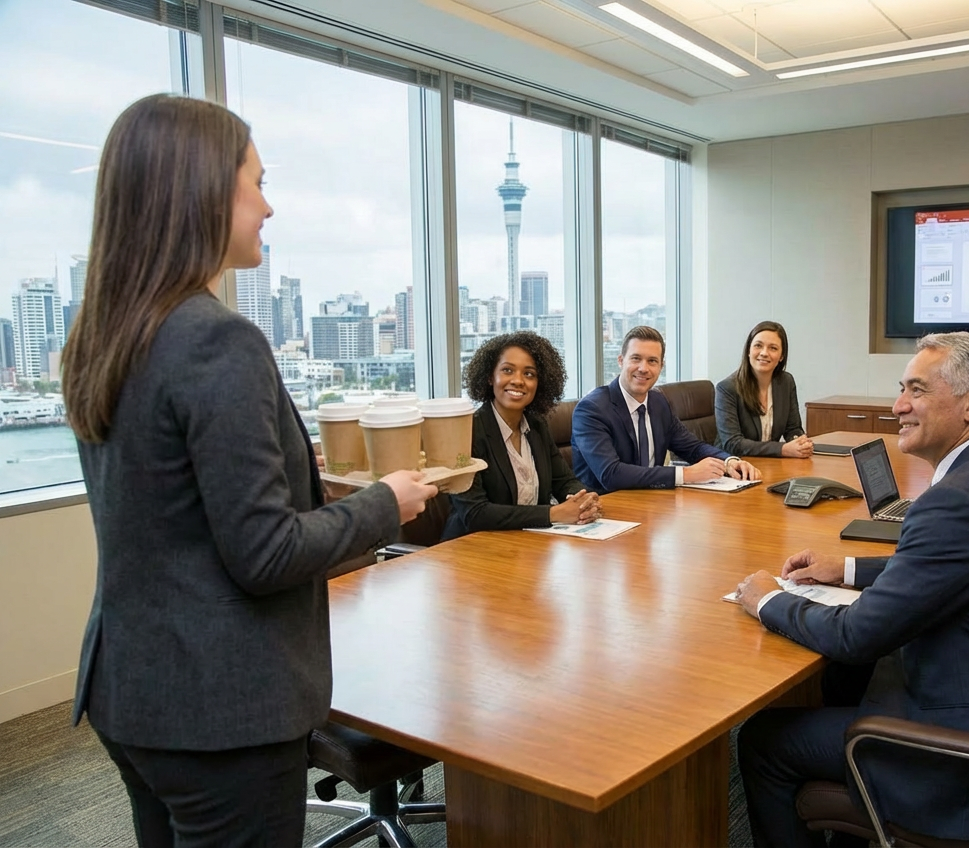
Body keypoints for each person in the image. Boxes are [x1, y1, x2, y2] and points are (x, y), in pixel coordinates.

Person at [59, 94, 438, 848]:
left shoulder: (105, 335)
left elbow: (174, 507)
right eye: (257, 183)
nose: (269, 206)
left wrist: (298, 475)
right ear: (200, 190)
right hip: (221, 707)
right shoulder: (215, 340)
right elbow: (264, 555)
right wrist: (384, 503)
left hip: (131, 688)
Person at [733, 332, 969, 847]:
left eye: (916, 390)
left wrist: (768, 600)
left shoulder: (958, 500)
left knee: (763, 738)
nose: (898, 405)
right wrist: (846, 569)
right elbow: (953, 568)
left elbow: (857, 635)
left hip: (967, 750)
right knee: (845, 681)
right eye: (902, 389)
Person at [442, 332, 601, 540]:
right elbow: (475, 514)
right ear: (490, 376)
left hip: (529, 545)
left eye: (529, 374)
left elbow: (564, 481)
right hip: (471, 550)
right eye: (507, 370)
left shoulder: (536, 426)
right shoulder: (466, 432)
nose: (518, 381)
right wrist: (552, 514)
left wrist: (582, 500)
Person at [571, 325, 761, 493]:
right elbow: (611, 474)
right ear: (621, 360)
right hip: (608, 508)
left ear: (661, 366)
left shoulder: (658, 402)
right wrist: (685, 474)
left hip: (653, 504)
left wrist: (729, 462)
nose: (643, 368)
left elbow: (692, 447)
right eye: (636, 358)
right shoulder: (591, 410)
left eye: (652, 361)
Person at [715, 320, 813, 457]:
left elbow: (793, 429)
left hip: (770, 464)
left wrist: (799, 442)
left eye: (773, 348)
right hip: (735, 467)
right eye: (758, 346)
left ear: (781, 356)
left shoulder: (786, 382)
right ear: (749, 350)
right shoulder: (727, 388)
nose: (764, 353)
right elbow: (733, 443)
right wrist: (783, 449)